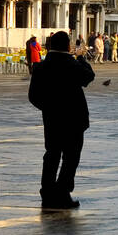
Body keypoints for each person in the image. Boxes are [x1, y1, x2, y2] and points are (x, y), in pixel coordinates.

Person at [28, 31, 94, 210]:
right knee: (71, 157)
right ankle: (62, 192)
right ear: (67, 46)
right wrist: (81, 58)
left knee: (51, 155)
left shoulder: (40, 67)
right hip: (74, 119)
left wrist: (50, 108)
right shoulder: (72, 64)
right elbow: (89, 77)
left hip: (52, 119)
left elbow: (33, 96)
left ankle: (47, 191)